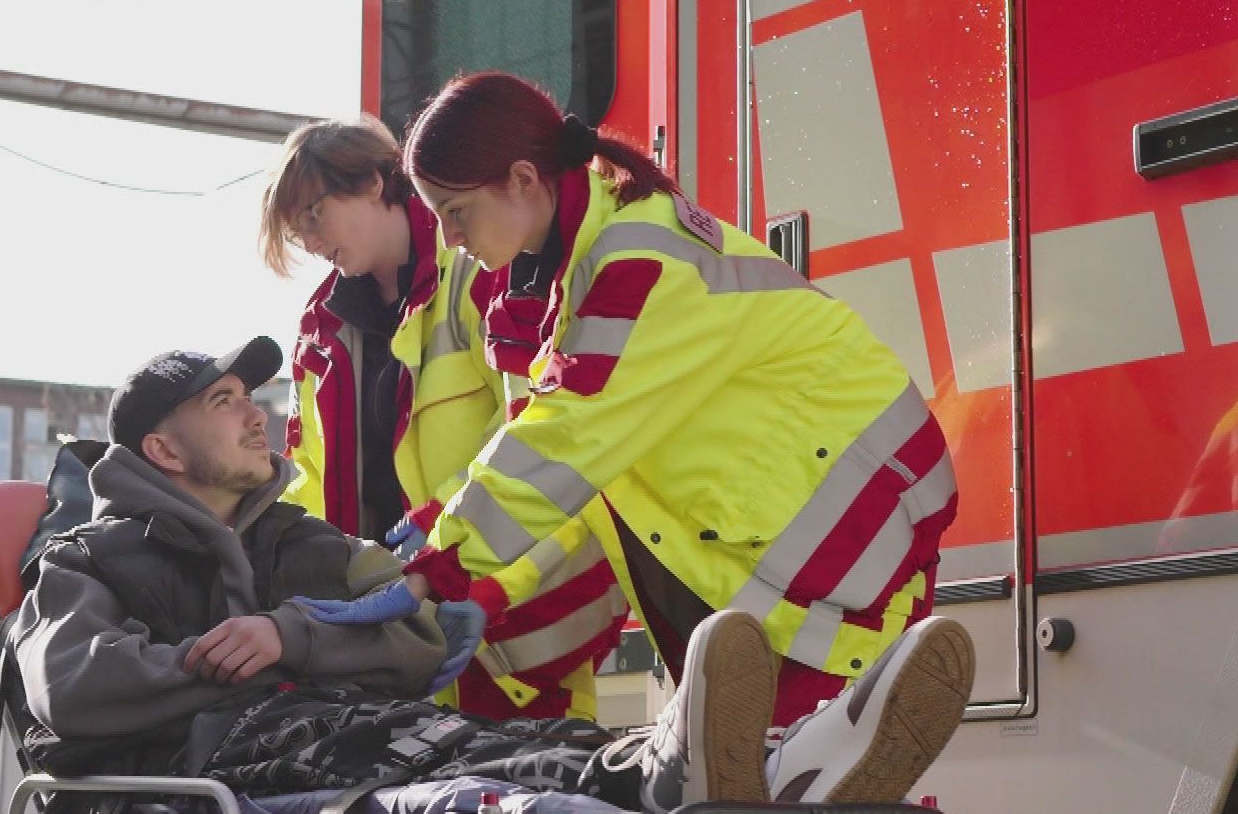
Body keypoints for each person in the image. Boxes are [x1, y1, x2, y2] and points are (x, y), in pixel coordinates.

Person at [8, 340, 975, 814]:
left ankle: (777, 763)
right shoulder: (88, 558)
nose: (257, 412)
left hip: (322, 725)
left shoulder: (295, 539)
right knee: (447, 765)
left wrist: (288, 634)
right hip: (193, 778)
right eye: (225, 402)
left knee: (458, 739)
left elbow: (415, 635)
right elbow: (78, 690)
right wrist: (242, 666)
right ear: (163, 452)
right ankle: (696, 776)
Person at [389, 71, 963, 729]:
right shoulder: (591, 263)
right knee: (782, 801)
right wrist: (469, 567)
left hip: (850, 541)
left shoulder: (630, 262)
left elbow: (566, 436)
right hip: (831, 545)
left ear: (522, 180)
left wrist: (441, 570)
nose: (450, 238)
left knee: (790, 805)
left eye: (455, 212)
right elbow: (570, 456)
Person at [260, 116, 628, 722]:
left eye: (313, 215)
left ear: (376, 183)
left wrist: (459, 563)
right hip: (381, 632)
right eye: (296, 230)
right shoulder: (319, 327)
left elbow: (540, 435)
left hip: (505, 620)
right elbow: (310, 472)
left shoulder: (486, 268)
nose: (307, 240)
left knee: (522, 801)